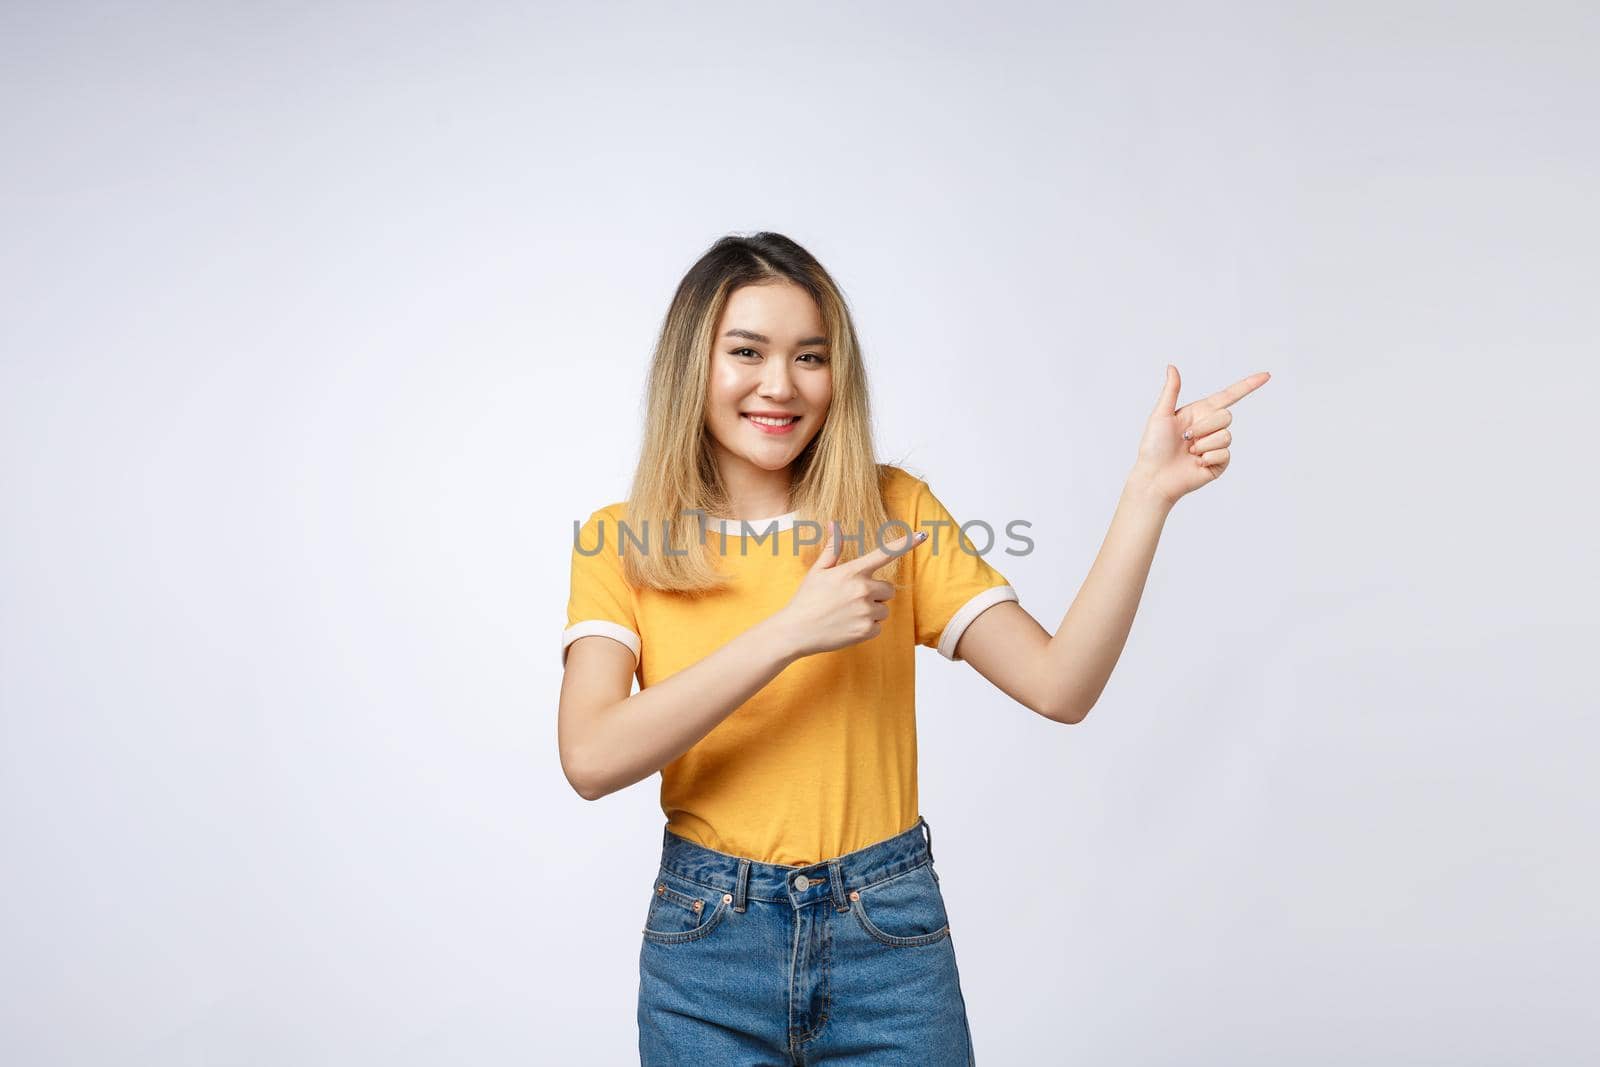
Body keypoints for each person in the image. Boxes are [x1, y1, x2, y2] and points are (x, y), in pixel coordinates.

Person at [557, 232, 1270, 1064]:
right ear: (693, 364)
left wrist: (1148, 495)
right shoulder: (622, 540)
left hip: (884, 935)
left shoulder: (891, 509)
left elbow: (1060, 685)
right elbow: (591, 756)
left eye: (811, 356)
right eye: (746, 352)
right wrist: (792, 630)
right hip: (707, 946)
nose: (780, 384)